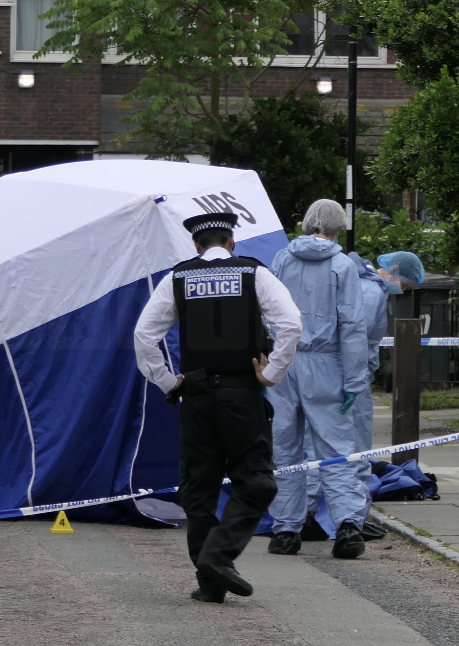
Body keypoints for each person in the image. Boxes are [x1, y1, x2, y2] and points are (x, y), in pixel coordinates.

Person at [134, 212, 302, 603]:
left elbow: (144, 335)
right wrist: (271, 373)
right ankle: (219, 556)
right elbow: (291, 323)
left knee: (199, 491)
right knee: (257, 482)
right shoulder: (252, 274)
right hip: (242, 397)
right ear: (231, 242)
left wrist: (167, 380)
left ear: (196, 245)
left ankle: (209, 582)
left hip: (195, 399)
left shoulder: (178, 277)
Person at [266, 199, 370, 560]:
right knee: (336, 449)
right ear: (339, 227)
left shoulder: (282, 259)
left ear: (308, 223)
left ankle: (285, 531)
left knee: (284, 449)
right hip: (326, 364)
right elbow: (354, 327)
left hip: (284, 361)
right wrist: (355, 380)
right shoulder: (343, 266)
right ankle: (348, 526)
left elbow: (269, 311)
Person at [301, 251, 390, 541]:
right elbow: (357, 337)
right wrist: (355, 380)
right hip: (350, 377)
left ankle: (300, 518)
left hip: (311, 372)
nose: (406, 289)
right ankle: (353, 522)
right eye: (408, 283)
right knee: (354, 450)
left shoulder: (314, 273)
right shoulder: (371, 289)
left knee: (312, 448)